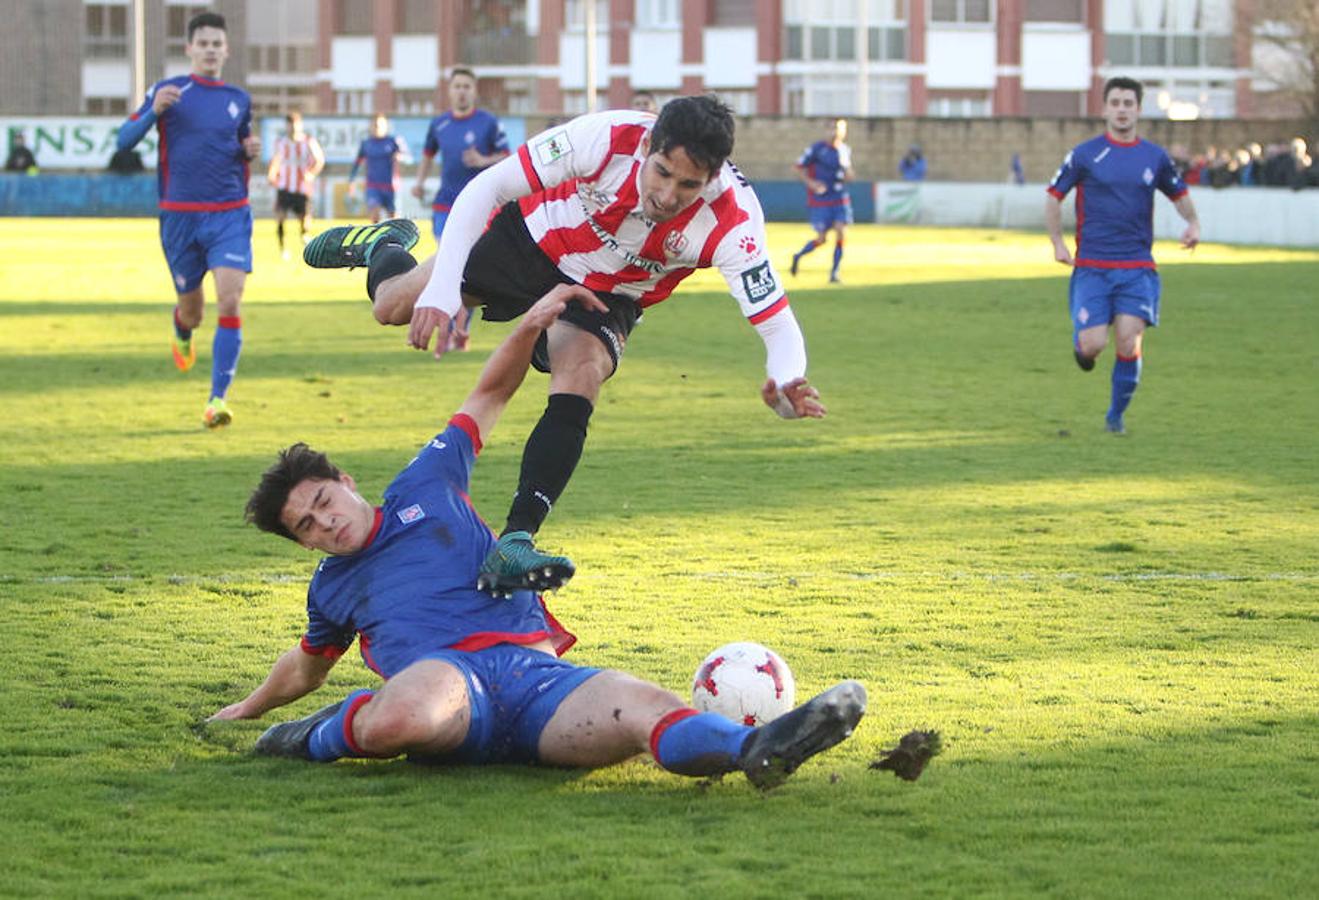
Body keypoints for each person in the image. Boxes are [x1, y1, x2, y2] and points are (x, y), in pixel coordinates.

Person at [208, 284, 866, 789]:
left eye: (323, 501)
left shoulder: (424, 484)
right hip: (446, 688)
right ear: (305, 546)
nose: (325, 522)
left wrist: (529, 324)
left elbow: (489, 392)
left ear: (347, 481)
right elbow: (305, 664)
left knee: (645, 708)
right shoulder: (331, 590)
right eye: (307, 526)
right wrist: (249, 708)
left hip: (535, 677)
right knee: (403, 716)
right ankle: (315, 735)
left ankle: (755, 749)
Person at [303, 96, 826, 595]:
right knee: (391, 307)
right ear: (648, 149)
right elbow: (487, 188)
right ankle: (383, 245)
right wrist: (443, 291)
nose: (667, 196)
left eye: (688, 185)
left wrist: (784, 387)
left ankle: (516, 540)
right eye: (662, 173)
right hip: (529, 237)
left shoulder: (734, 222)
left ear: (712, 178)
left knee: (583, 370)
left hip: (607, 293)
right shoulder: (603, 138)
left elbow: (778, 325)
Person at [116, 11, 259, 429]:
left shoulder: (239, 98)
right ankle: (182, 327)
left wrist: (250, 150)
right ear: (190, 49)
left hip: (230, 212)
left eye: (218, 43)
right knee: (193, 311)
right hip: (179, 218)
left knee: (230, 299)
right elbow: (124, 141)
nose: (212, 49)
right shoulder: (169, 91)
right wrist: (151, 113)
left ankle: (217, 399)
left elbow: (243, 147)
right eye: (205, 43)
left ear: (226, 50)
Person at [1044, 76, 1200, 436]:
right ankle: (1082, 349)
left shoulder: (1154, 157)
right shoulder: (1085, 154)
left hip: (1136, 267)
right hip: (1093, 267)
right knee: (1094, 344)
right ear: (1104, 109)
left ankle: (1115, 417)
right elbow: (1054, 196)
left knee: (1129, 340)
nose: (1122, 110)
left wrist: (1192, 223)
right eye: (1115, 103)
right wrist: (1057, 243)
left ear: (1138, 110)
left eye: (1128, 103)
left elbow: (1179, 194)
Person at [411, 68, 510, 352]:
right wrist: (419, 182)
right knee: (447, 263)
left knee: (468, 269)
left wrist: (482, 159)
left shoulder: (488, 123)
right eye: (457, 86)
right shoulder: (439, 124)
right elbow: (427, 156)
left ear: (474, 91)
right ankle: (453, 328)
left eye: (467, 86)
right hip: (445, 204)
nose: (462, 91)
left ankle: (460, 328)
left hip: (479, 208)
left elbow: (508, 157)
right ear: (450, 90)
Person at [789, 117, 853, 284]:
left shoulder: (844, 150)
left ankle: (834, 273)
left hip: (840, 198)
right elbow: (798, 167)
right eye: (832, 128)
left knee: (841, 231)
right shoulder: (817, 149)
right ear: (826, 130)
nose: (836, 132)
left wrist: (848, 172)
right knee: (822, 239)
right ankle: (798, 256)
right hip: (821, 200)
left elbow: (850, 176)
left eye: (839, 128)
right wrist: (812, 183)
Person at [267, 111, 325, 260]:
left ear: (300, 125)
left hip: (302, 187)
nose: (292, 127)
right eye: (290, 124)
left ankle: (304, 235)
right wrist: (272, 174)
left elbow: (319, 159)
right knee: (280, 217)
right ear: (286, 126)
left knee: (304, 218)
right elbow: (276, 160)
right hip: (284, 186)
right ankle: (283, 249)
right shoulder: (280, 142)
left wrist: (311, 174)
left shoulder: (308, 141)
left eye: (295, 124)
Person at [349, 114, 410, 223]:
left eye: (379, 125)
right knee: (375, 215)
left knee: (393, 219)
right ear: (370, 127)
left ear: (385, 126)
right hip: (373, 186)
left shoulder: (394, 141)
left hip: (391, 187)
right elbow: (357, 163)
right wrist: (351, 180)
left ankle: (394, 239)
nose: (376, 127)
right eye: (374, 125)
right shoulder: (366, 144)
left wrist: (400, 157)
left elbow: (409, 158)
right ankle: (377, 239)